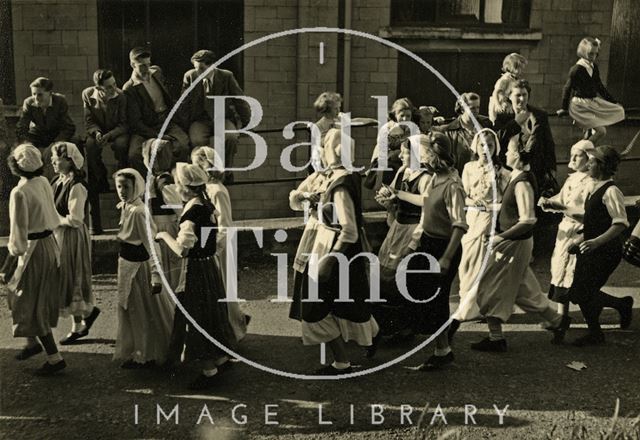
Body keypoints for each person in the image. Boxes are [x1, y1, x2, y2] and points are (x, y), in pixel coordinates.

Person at [472, 136, 571, 353]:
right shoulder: (517, 176)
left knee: (488, 286)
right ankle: (557, 321)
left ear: (518, 154)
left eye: (509, 150)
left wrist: (500, 237)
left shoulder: (523, 181)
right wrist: (491, 207)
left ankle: (496, 338)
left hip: (512, 244)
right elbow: (512, 207)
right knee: (523, 289)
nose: (506, 154)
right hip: (514, 242)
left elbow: (528, 219)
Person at [293, 128, 380, 375]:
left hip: (334, 249)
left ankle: (342, 362)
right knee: (344, 302)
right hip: (330, 245)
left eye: (325, 145)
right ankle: (373, 334)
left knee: (315, 307)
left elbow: (349, 229)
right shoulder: (338, 177)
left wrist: (329, 260)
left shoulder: (340, 184)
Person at [155, 163, 236, 390]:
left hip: (196, 270)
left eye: (177, 184)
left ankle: (209, 371)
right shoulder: (206, 205)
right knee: (212, 312)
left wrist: (163, 235)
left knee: (195, 316)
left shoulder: (191, 212)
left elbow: (183, 249)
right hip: (209, 266)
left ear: (186, 188)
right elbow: (218, 236)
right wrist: (210, 254)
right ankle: (220, 357)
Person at [399, 133, 467, 371]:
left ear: (436, 156)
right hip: (428, 243)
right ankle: (441, 341)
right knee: (422, 292)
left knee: (437, 298)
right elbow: (425, 208)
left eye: (425, 154)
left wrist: (446, 257)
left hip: (443, 246)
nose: (422, 158)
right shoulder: (434, 180)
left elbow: (459, 225)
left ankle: (442, 350)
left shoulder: (452, 185)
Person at [5, 144, 65, 375]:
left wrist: (8, 263)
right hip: (50, 244)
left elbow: (18, 233)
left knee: (28, 301)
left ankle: (54, 357)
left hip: (33, 249)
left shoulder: (19, 192)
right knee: (26, 295)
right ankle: (31, 342)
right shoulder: (42, 183)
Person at [566, 146, 633, 346]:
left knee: (583, 291)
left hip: (606, 251)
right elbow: (592, 219)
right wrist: (579, 240)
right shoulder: (592, 187)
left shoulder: (612, 191)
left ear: (602, 166)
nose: (587, 165)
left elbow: (620, 223)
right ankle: (619, 307)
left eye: (592, 162)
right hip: (590, 248)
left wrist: (595, 242)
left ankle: (599, 330)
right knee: (581, 292)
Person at [449, 129, 510, 339]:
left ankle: (476, 309)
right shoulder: (467, 168)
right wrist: (472, 202)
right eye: (482, 145)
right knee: (466, 264)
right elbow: (463, 195)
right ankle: (470, 305)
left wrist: (493, 206)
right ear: (475, 146)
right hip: (471, 219)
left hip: (490, 219)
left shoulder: (503, 172)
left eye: (490, 146)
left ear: (496, 149)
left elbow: (506, 201)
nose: (485, 149)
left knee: (482, 264)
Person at [113, 168, 174, 369]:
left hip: (138, 269)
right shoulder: (126, 207)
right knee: (130, 310)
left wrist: (156, 274)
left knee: (141, 312)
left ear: (136, 187)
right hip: (126, 265)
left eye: (126, 187)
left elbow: (151, 243)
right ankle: (136, 350)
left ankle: (146, 355)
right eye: (119, 186)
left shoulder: (139, 211)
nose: (122, 190)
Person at [371, 139, 431, 342]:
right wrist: (387, 201)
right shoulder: (403, 172)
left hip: (412, 229)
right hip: (398, 226)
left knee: (403, 278)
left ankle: (405, 328)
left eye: (405, 152)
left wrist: (415, 241)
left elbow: (426, 206)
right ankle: (388, 324)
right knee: (384, 275)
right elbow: (393, 197)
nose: (400, 156)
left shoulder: (424, 177)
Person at [191, 146, 250, 342]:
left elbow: (224, 223)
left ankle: (233, 328)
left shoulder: (216, 190)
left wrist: (216, 248)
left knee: (224, 286)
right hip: (212, 242)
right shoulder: (206, 189)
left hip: (220, 245)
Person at [538, 140, 593, 330]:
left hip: (580, 232)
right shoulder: (572, 179)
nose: (573, 158)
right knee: (560, 273)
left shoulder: (591, 183)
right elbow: (560, 199)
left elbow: (588, 214)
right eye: (572, 154)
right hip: (565, 230)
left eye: (578, 155)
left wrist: (561, 207)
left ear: (589, 159)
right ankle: (561, 320)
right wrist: (547, 202)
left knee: (575, 279)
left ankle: (618, 305)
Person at [49, 142, 101, 345]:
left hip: (71, 235)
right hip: (59, 234)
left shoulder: (77, 186)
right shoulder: (57, 181)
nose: (54, 161)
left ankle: (78, 325)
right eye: (54, 157)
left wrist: (53, 220)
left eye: (58, 158)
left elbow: (76, 218)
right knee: (65, 278)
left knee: (73, 276)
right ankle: (86, 314)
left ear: (70, 161)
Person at [182, 49, 250, 183]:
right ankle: (201, 175)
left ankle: (228, 171)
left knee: (230, 136)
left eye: (202, 68)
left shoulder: (226, 77)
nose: (198, 72)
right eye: (196, 68)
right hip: (201, 119)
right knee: (196, 139)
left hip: (222, 118)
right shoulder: (190, 76)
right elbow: (184, 104)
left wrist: (246, 123)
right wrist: (184, 126)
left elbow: (239, 100)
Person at [123, 47, 190, 174]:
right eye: (142, 66)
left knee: (182, 146)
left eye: (148, 64)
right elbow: (136, 122)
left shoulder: (157, 72)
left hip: (167, 121)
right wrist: (157, 135)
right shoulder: (129, 88)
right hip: (146, 127)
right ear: (132, 65)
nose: (147, 69)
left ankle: (177, 180)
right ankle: (147, 186)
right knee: (134, 155)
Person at [82, 69, 130, 234]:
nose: (113, 89)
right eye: (109, 87)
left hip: (117, 132)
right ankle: (99, 176)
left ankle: (121, 173)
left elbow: (124, 124)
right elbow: (89, 121)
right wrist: (96, 133)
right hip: (99, 132)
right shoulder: (88, 95)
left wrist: (110, 135)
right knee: (90, 146)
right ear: (99, 88)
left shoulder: (121, 96)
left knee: (122, 145)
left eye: (114, 85)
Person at [499, 80, 557, 205]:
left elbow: (548, 142)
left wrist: (552, 168)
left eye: (524, 95)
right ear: (509, 96)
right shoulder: (502, 116)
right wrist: (515, 124)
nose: (522, 99)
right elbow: (498, 138)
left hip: (535, 168)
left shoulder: (539, 115)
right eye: (517, 95)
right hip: (509, 169)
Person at [558, 37, 625, 144]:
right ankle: (582, 149)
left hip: (592, 103)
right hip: (580, 105)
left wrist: (613, 101)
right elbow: (567, 89)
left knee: (619, 110)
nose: (593, 57)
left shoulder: (594, 67)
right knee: (601, 131)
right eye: (590, 54)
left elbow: (600, 87)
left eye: (595, 54)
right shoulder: (576, 69)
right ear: (583, 52)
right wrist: (564, 108)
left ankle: (586, 145)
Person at [16, 77, 75, 176]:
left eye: (40, 94)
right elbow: (21, 127)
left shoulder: (60, 101)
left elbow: (69, 127)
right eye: (33, 94)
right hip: (38, 135)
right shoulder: (29, 103)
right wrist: (28, 145)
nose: (36, 98)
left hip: (56, 135)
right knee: (19, 149)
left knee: (75, 143)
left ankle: (74, 178)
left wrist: (55, 145)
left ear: (50, 93)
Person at [365, 97, 419, 188]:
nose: (405, 118)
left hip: (405, 161)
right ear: (395, 114)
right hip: (387, 161)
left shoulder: (413, 128)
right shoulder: (387, 128)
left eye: (408, 116)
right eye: (402, 116)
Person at [434, 92, 493, 176]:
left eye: (478, 107)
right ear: (462, 109)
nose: (476, 111)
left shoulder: (486, 124)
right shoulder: (449, 131)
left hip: (483, 175)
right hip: (461, 177)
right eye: (472, 108)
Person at [489, 53, 528, 130]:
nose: (522, 71)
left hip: (507, 103)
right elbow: (496, 92)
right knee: (497, 123)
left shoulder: (514, 79)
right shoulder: (505, 79)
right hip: (499, 103)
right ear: (513, 68)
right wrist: (498, 105)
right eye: (520, 69)